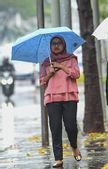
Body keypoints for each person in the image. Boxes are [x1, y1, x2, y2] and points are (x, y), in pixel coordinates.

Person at [40, 36, 81, 168]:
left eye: (59, 43)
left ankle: (74, 146)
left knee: (71, 127)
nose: (56, 46)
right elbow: (42, 81)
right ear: (50, 46)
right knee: (55, 128)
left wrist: (61, 67)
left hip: (69, 97)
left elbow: (76, 74)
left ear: (63, 45)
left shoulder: (72, 58)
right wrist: (50, 73)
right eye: (53, 44)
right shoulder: (46, 62)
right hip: (52, 98)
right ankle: (58, 158)